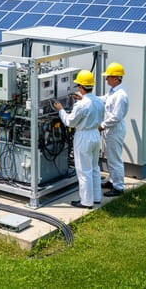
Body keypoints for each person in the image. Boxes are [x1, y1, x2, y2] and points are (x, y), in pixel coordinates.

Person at [53, 70, 105, 209]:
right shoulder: (98, 101)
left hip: (84, 136)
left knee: (83, 170)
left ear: (81, 87)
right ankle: (96, 197)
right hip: (95, 134)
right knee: (94, 167)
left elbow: (70, 122)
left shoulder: (81, 105)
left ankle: (86, 201)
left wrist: (60, 110)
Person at [100, 62, 128, 197]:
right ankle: (112, 181)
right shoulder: (113, 92)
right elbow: (104, 100)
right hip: (111, 130)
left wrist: (103, 125)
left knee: (115, 159)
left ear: (116, 78)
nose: (106, 79)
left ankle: (118, 187)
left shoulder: (120, 95)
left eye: (108, 77)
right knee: (110, 158)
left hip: (114, 130)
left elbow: (116, 117)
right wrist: (86, 98)